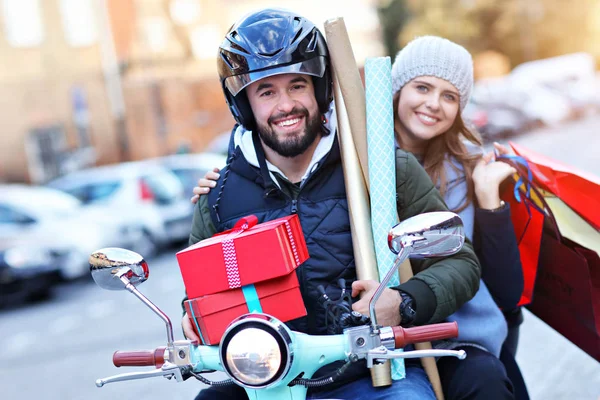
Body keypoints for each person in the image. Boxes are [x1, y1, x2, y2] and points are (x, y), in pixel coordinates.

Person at [183, 9, 481, 400]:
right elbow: (200, 298)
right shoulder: (217, 198)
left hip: (372, 374)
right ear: (243, 105)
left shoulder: (381, 170)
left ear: (320, 90)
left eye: (297, 85)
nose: (286, 104)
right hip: (268, 381)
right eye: (267, 91)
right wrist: (195, 319)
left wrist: (404, 302)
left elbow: (461, 262)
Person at [389, 35, 528, 399]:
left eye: (449, 96)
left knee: (488, 383)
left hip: (455, 339)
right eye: (422, 87)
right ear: (398, 89)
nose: (433, 104)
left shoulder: (467, 168)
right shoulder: (357, 163)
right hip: (381, 344)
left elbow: (507, 293)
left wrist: (487, 200)